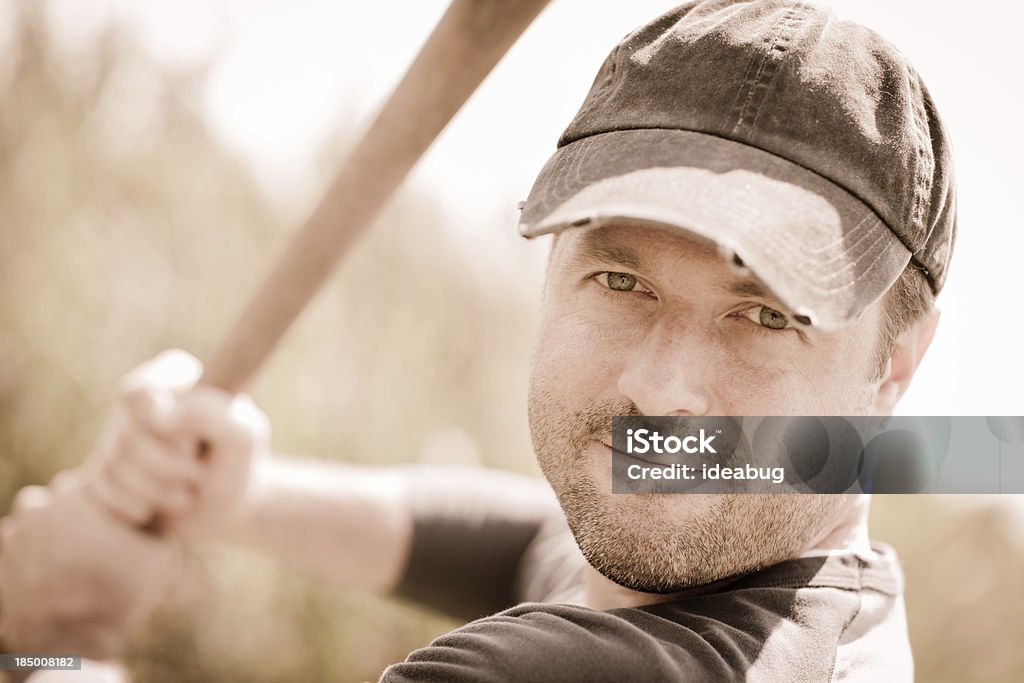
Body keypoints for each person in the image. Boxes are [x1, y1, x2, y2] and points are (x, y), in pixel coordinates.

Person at [0, 0, 956, 680]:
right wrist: (238, 497)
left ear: (893, 368)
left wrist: (56, 632)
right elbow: (528, 543)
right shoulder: (830, 600)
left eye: (762, 315)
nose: (665, 393)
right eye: (622, 280)